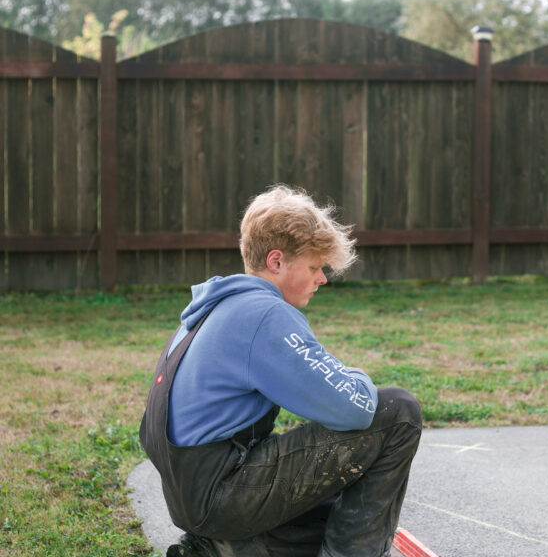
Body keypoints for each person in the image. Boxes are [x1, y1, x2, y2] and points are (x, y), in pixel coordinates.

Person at [139, 185, 422, 557]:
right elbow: (352, 408)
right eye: (314, 266)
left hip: (194, 498)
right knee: (398, 411)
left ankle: (218, 549)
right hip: (222, 494)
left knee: (333, 516)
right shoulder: (264, 315)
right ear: (276, 262)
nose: (322, 278)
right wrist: (357, 377)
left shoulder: (210, 309)